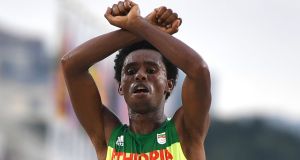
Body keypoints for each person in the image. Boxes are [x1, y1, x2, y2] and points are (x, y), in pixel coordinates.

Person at [61, 0, 211, 159]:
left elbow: (199, 70)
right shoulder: (108, 137)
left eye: (151, 70)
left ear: (169, 84)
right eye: (130, 71)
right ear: (120, 87)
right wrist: (140, 26)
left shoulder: (185, 132)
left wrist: (139, 25)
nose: (140, 75)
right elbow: (70, 64)